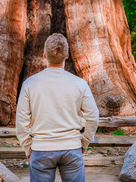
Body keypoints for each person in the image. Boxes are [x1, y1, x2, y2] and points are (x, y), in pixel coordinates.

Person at [16, 33, 99, 182]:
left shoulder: (30, 83)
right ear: (67, 56)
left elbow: (21, 122)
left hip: (41, 150)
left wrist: (28, 147)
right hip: (72, 149)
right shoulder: (80, 84)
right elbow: (93, 117)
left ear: (44, 55)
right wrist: (84, 143)